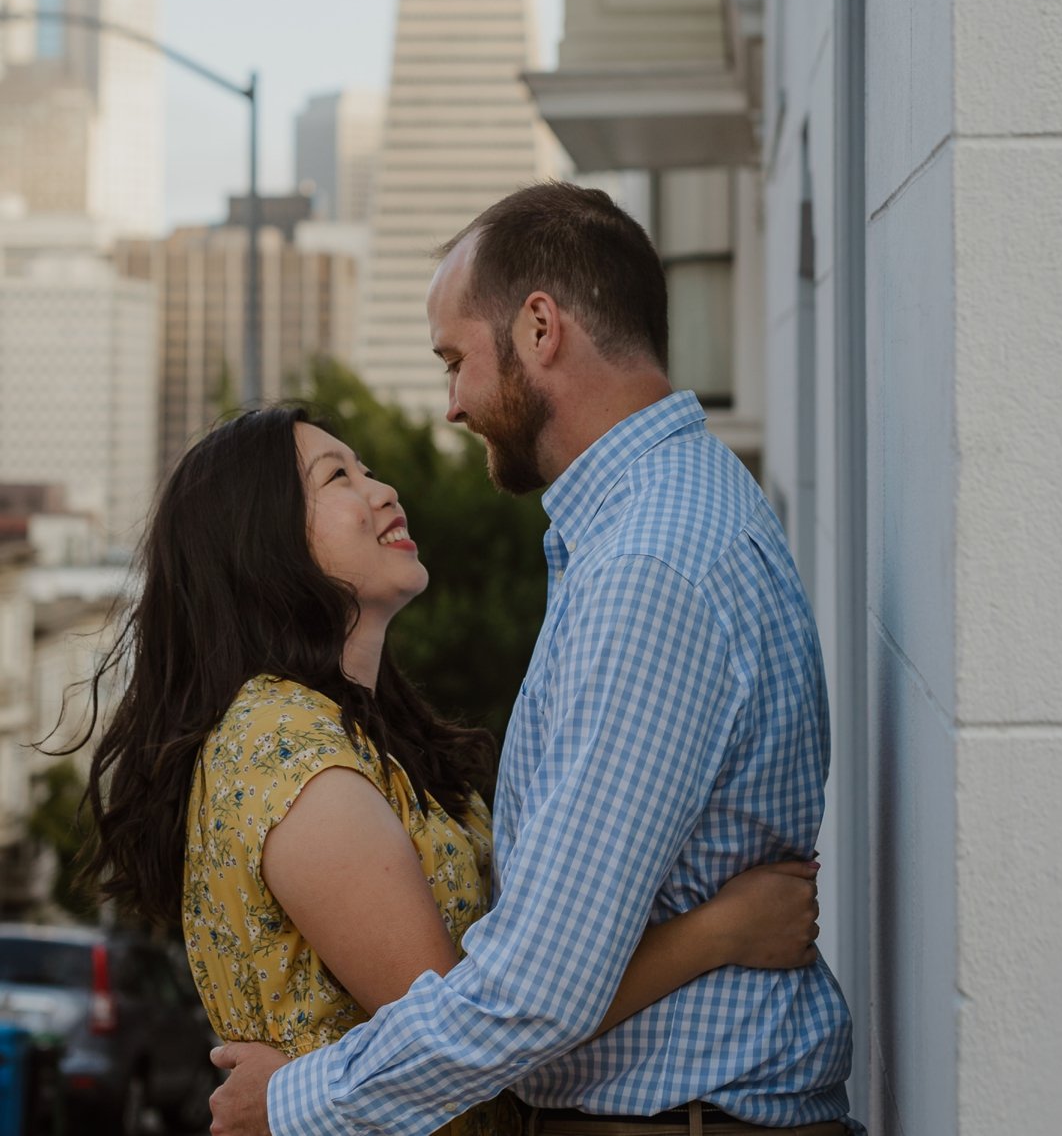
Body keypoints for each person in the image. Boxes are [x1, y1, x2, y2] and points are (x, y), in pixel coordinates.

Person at [207, 182, 856, 1136]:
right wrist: (714, 932)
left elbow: (535, 988)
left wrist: (296, 1101)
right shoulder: (680, 507)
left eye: (456, 360)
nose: (455, 404)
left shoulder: (646, 567)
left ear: (540, 328)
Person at [76, 408, 820, 1136]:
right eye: (338, 476)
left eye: (366, 466)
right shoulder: (285, 754)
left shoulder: (358, 737)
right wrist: (722, 931)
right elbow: (480, 1036)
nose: (384, 488)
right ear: (261, 543)